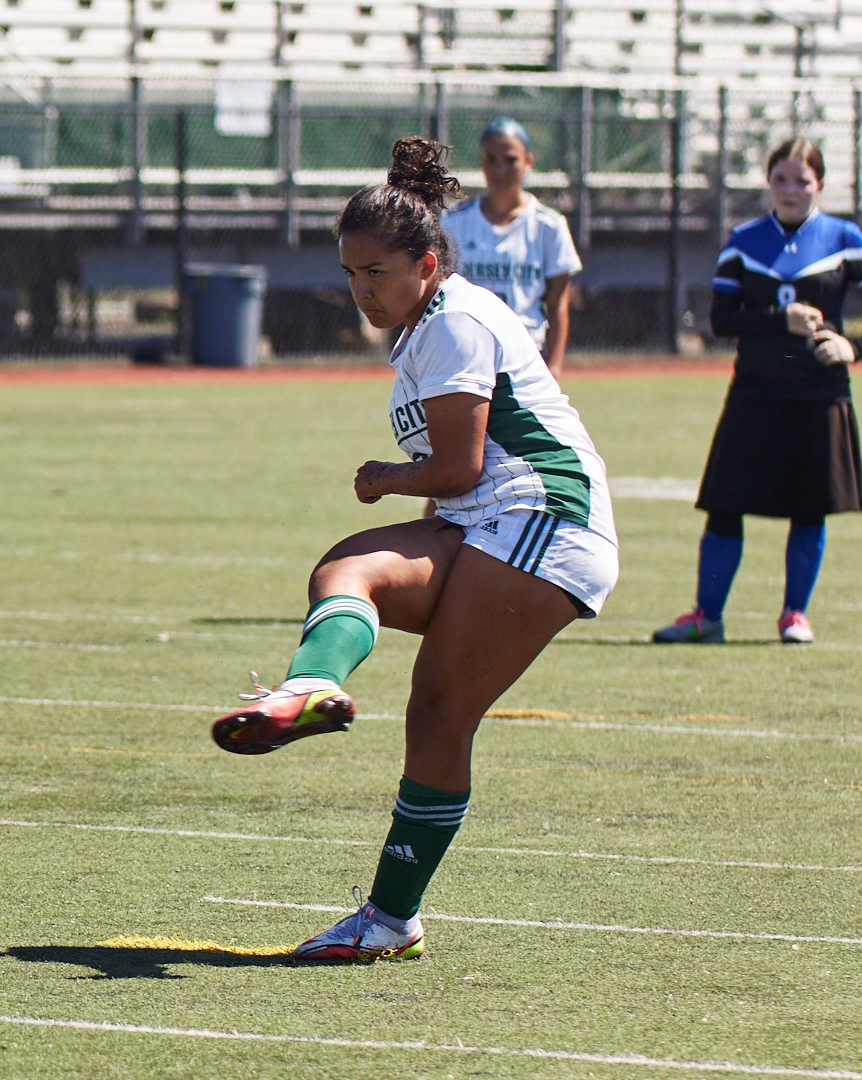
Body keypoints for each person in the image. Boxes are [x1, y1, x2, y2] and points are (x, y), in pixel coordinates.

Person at [209, 136, 618, 963]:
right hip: (489, 518)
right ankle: (311, 689)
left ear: (426, 265)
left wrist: (383, 478)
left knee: (438, 710)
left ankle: (391, 921)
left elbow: (461, 465)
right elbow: (464, 478)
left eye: (376, 275)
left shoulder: (455, 322)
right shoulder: (426, 322)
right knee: (347, 568)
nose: (361, 291)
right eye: (351, 274)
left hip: (548, 517)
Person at [652, 138, 862, 646]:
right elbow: (722, 319)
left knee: (809, 507)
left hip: (819, 392)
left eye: (802, 181)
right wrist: (779, 319)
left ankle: (794, 615)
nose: (791, 190)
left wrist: (854, 348)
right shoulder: (744, 239)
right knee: (725, 504)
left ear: (820, 186)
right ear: (770, 182)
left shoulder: (844, 237)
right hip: (755, 390)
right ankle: (707, 616)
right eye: (782, 179)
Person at [445, 117, 582, 376]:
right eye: (491, 159)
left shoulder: (548, 225)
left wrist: (554, 366)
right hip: (467, 351)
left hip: (526, 354)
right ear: (481, 162)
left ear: (528, 161)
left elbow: (558, 302)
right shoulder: (454, 222)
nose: (500, 170)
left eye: (510, 160)